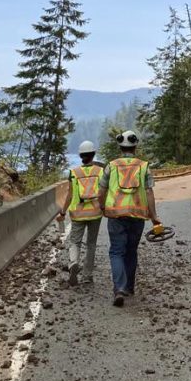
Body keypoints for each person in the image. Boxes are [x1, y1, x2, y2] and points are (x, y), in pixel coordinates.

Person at [97, 130, 161, 307]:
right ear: (135, 146)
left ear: (120, 147)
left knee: (117, 251)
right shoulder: (144, 167)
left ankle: (119, 289)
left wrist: (102, 207)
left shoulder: (111, 166)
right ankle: (130, 287)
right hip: (137, 216)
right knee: (131, 251)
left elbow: (101, 190)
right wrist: (154, 216)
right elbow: (149, 192)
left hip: (116, 215)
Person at [56, 141, 104, 286]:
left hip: (78, 213)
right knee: (91, 244)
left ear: (81, 156)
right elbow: (103, 192)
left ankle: (73, 263)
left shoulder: (74, 173)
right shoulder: (100, 172)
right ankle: (87, 275)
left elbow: (70, 195)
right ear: (93, 154)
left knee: (75, 241)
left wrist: (63, 212)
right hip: (95, 212)